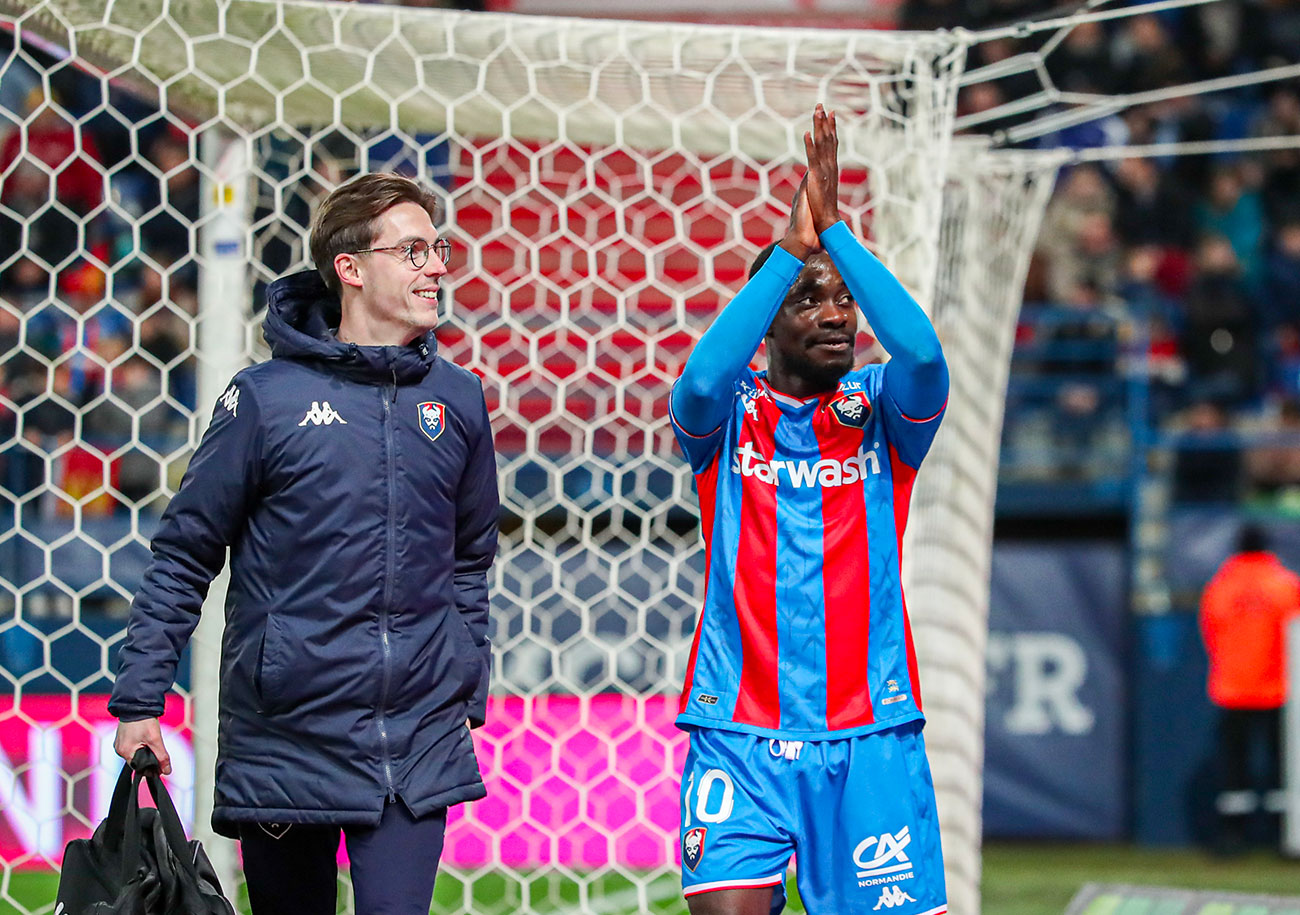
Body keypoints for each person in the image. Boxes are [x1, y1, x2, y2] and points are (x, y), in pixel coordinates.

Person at [108, 172, 499, 915]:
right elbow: (186, 552)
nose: (436, 266)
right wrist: (140, 700)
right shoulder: (264, 398)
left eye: (438, 247)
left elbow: (470, 557)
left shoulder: (459, 400)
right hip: (285, 736)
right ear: (350, 269)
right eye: (413, 250)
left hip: (414, 738)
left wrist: (464, 676)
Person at [670, 105, 949, 915]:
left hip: (869, 736)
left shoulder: (883, 413)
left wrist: (836, 234)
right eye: (811, 300)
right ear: (771, 322)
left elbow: (924, 353)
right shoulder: (730, 417)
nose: (837, 314)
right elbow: (695, 382)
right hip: (738, 731)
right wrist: (789, 250)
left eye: (844, 301)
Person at [1198, 524, 1300, 853]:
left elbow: (1210, 633)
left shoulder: (1220, 587)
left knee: (1234, 766)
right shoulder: (1285, 585)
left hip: (1233, 688)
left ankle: (1232, 837)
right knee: (1283, 766)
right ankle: (1284, 835)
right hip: (1278, 689)